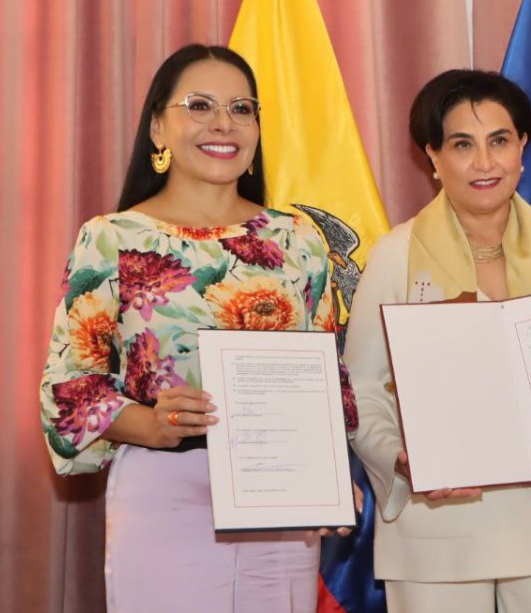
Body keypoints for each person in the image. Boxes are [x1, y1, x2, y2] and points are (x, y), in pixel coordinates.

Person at [38, 44, 357, 613]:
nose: (223, 123)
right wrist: (152, 424)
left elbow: (328, 377)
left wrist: (329, 479)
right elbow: (70, 391)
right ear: (158, 126)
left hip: (280, 497)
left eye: (241, 108)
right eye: (200, 105)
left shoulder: (299, 241)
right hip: (164, 491)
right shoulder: (111, 238)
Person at [345, 69, 531, 613]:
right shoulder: (395, 255)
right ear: (433, 157)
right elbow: (361, 389)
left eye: (499, 141)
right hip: (436, 527)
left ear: (523, 147)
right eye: (462, 145)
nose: (485, 163)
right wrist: (401, 460)